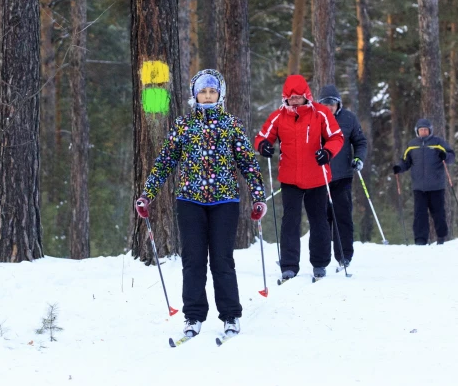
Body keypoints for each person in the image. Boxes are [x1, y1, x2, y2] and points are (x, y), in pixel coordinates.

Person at [134, 69, 267, 338]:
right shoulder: (184, 126)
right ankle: (193, 317)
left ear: (220, 94)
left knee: (222, 260)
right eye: (203, 92)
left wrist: (258, 197)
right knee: (193, 261)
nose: (207, 96)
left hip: (225, 202)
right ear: (195, 95)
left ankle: (230, 315)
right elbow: (164, 162)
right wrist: (147, 194)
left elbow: (248, 165)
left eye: (212, 91)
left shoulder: (231, 124)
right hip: (190, 202)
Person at [254, 75, 344, 280]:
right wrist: (263, 146)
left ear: (306, 96)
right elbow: (262, 136)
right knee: (290, 220)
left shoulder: (320, 113)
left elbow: (336, 137)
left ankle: (320, 263)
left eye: (298, 97)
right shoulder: (279, 116)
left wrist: (328, 152)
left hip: (317, 176)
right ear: (284, 97)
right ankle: (288, 264)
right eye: (290, 97)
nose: (294, 100)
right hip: (290, 177)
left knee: (319, 219)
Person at [317, 85, 367, 268]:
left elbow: (360, 142)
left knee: (342, 216)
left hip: (342, 176)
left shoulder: (348, 118)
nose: (328, 106)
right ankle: (320, 259)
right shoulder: (314, 118)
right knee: (321, 219)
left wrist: (358, 158)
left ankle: (344, 256)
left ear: (338, 103)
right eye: (324, 103)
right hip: (319, 177)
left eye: (332, 103)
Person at [393, 118, 455, 245]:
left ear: (430, 131)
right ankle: (420, 240)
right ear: (417, 131)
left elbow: (451, 156)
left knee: (438, 213)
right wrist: (399, 167)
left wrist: (445, 156)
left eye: (425, 130)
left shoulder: (438, 142)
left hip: (436, 185)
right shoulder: (412, 145)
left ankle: (442, 237)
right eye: (421, 130)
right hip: (419, 187)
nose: (423, 132)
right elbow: (405, 161)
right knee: (419, 214)